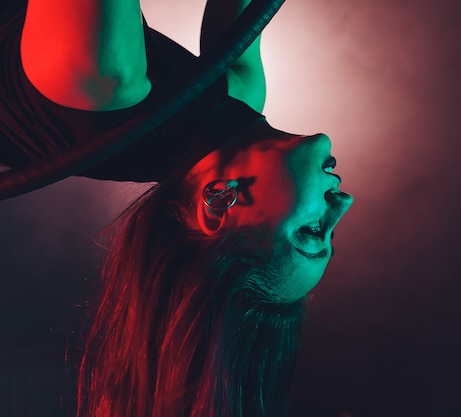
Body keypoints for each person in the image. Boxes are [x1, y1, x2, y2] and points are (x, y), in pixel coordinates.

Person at [0, 0, 353, 416]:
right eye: (332, 234)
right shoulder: (237, 96)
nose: (342, 205)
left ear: (220, 205)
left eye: (312, 233)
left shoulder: (107, 80)